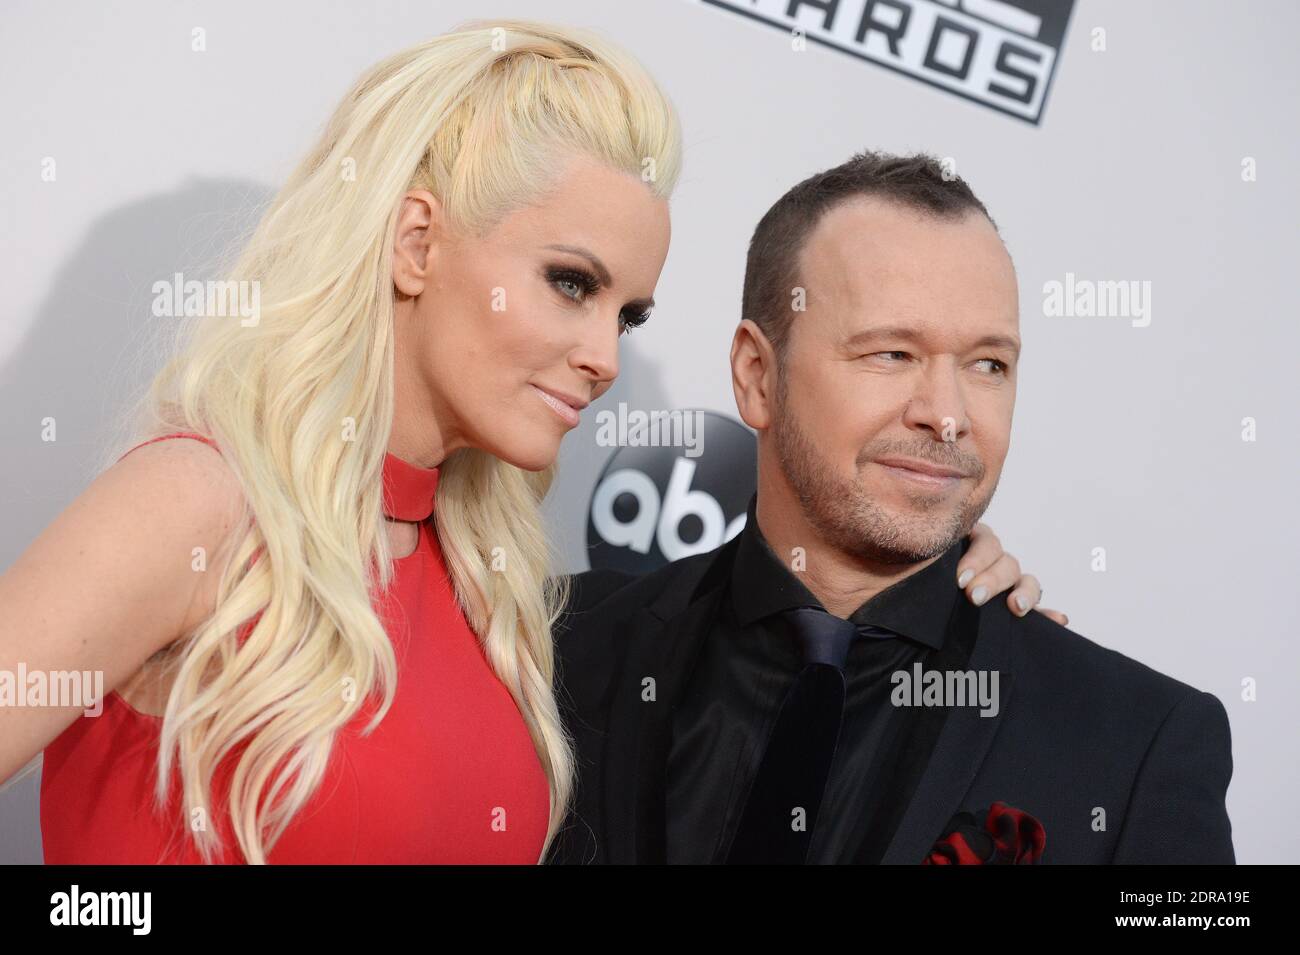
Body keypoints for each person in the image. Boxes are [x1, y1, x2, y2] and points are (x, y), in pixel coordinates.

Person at [1, 22, 1049, 864]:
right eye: (571, 284)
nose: (602, 354)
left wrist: (941, 580)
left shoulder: (496, 591)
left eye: (628, 315)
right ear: (417, 242)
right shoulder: (201, 504)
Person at [547, 151, 1234, 865]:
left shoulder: (1136, 740)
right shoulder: (558, 643)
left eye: (988, 364)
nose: (946, 415)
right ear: (757, 375)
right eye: (893, 354)